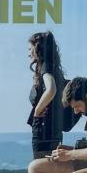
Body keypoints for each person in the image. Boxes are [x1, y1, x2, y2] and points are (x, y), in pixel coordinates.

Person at [26, 30, 69, 160]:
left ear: (37, 48)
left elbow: (51, 89)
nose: (28, 53)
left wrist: (37, 111)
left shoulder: (46, 67)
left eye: (30, 48)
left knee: (38, 169)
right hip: (54, 129)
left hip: (43, 129)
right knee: (46, 170)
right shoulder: (54, 69)